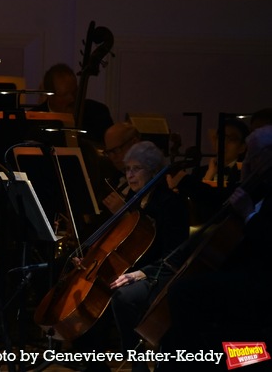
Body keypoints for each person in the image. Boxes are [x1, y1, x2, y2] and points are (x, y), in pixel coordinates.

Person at [154, 125, 272, 372]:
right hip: (242, 274)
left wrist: (249, 214)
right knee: (171, 337)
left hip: (262, 282)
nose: (246, 159)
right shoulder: (257, 185)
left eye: (252, 154)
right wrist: (186, 181)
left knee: (183, 292)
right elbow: (221, 197)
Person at [72, 141, 189, 372]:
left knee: (122, 296)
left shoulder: (171, 204)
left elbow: (174, 254)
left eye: (137, 169)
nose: (130, 175)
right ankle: (93, 363)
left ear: (154, 171)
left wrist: (140, 273)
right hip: (131, 269)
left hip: (158, 272)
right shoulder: (134, 201)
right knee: (89, 288)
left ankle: (137, 364)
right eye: (127, 170)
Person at [31, 63, 114, 147]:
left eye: (75, 92)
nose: (72, 99)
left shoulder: (98, 112)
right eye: (65, 94)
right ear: (50, 96)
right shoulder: (32, 120)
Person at [101, 122, 142, 213]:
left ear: (134, 143)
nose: (112, 157)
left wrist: (123, 213)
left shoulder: (150, 177)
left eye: (116, 150)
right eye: (109, 152)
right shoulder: (115, 175)